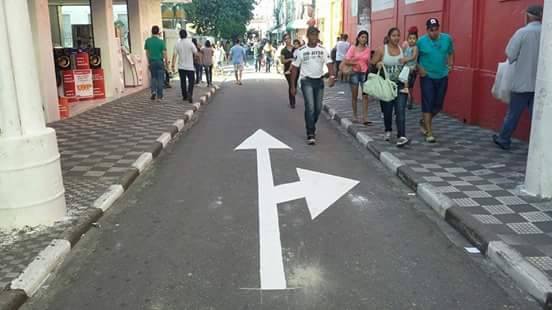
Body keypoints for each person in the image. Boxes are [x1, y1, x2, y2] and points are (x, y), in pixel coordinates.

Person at [493, 5, 543, 150]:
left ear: (528, 16)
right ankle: (539, 145)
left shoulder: (522, 32)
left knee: (513, 114)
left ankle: (503, 139)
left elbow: (510, 55)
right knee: (538, 117)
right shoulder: (547, 32)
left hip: (522, 82)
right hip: (541, 84)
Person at [290, 26, 336, 145]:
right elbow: (294, 68)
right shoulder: (301, 51)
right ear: (308, 36)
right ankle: (310, 132)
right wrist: (293, 86)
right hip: (306, 81)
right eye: (312, 35)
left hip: (319, 81)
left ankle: (310, 123)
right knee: (310, 106)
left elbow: (329, 63)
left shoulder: (322, 50)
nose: (314, 37)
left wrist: (332, 76)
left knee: (318, 108)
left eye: (316, 35)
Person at [417, 18, 454, 143]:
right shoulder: (421, 41)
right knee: (428, 102)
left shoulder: (447, 39)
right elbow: (414, 58)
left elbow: (450, 52)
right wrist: (419, 68)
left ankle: (424, 121)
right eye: (431, 30)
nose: (434, 32)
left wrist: (450, 64)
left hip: (442, 75)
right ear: (427, 30)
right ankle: (429, 132)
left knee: (438, 105)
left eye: (436, 29)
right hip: (427, 76)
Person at [371, 27, 410, 147]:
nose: (396, 38)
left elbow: (407, 66)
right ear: (388, 37)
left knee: (400, 110)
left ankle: (401, 136)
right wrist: (378, 64)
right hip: (386, 84)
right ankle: (388, 130)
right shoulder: (382, 50)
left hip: (399, 84)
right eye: (393, 35)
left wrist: (406, 83)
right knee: (387, 111)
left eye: (398, 35)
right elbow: (372, 64)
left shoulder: (402, 49)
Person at [343, 31, 372, 125]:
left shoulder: (368, 49)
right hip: (354, 73)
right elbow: (346, 61)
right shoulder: (353, 48)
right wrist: (356, 64)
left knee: (365, 96)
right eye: (362, 37)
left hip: (364, 73)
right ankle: (355, 115)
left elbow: (368, 62)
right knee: (354, 96)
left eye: (365, 37)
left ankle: (365, 117)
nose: (364, 39)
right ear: (358, 38)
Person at [171, 29, 197, 103]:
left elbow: (174, 55)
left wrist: (173, 65)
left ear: (180, 35)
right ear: (186, 35)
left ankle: (185, 96)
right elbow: (196, 53)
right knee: (191, 81)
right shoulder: (190, 43)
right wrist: (195, 58)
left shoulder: (177, 44)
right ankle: (190, 93)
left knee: (183, 82)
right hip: (190, 67)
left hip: (181, 67)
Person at [144, 25, 167, 101]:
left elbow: (147, 52)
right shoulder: (161, 42)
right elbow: (164, 53)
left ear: (152, 32)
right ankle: (159, 96)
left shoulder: (148, 41)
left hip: (152, 61)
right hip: (160, 61)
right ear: (158, 32)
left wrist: (148, 61)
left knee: (153, 77)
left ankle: (153, 91)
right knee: (160, 79)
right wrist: (164, 61)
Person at [400, 26, 419, 109]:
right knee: (404, 78)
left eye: (414, 39)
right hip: (406, 67)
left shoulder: (415, 48)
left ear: (416, 39)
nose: (412, 40)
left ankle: (407, 93)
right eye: (410, 38)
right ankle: (408, 98)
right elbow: (403, 53)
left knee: (407, 81)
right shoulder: (407, 46)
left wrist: (405, 59)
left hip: (411, 68)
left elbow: (413, 57)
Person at [281, 33, 297, 109]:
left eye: (289, 38)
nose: (288, 40)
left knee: (295, 84)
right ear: (284, 40)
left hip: (296, 69)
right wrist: (290, 59)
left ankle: (293, 98)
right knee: (291, 84)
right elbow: (282, 61)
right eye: (286, 39)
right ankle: (292, 102)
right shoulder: (283, 50)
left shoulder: (295, 49)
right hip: (287, 70)